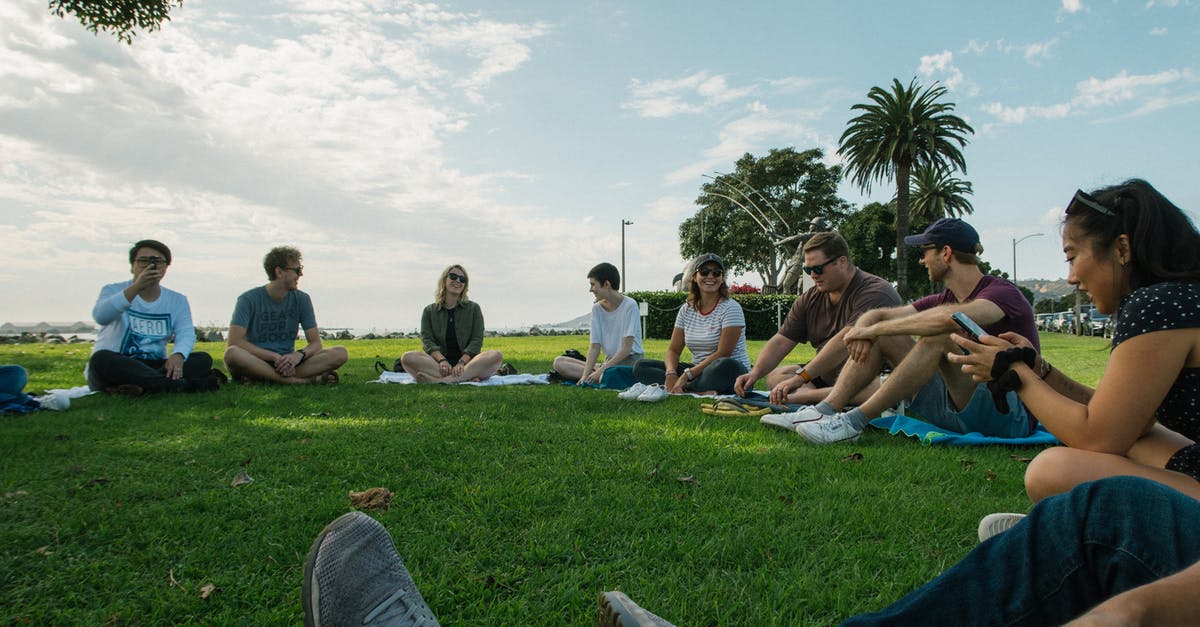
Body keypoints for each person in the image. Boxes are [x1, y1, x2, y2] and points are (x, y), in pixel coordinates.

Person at [950, 179, 1200, 502]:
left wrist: (1012, 372)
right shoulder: (1180, 298)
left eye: (1071, 257)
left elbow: (1098, 438)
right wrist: (1038, 369)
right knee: (1140, 440)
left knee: (1051, 471)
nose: (1070, 278)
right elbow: (1121, 421)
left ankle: (1086, 537)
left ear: (1122, 249)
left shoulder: (1158, 306)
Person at [762, 218, 1038, 444]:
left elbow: (951, 319)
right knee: (884, 333)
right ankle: (823, 412)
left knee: (939, 336)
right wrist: (869, 327)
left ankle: (852, 423)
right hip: (955, 405)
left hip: (1009, 414)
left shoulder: (1001, 293)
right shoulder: (942, 298)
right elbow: (879, 315)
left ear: (946, 253)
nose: (922, 260)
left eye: (925, 252)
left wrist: (872, 329)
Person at [733, 232, 901, 404]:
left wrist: (800, 379)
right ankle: (822, 400)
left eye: (818, 269)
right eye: (808, 270)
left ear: (842, 262)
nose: (812, 275)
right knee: (778, 376)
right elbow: (781, 341)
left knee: (885, 386)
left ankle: (807, 399)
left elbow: (844, 341)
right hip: (826, 378)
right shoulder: (810, 298)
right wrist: (755, 373)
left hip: (870, 377)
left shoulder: (875, 292)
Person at [86, 239, 218, 395]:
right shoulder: (113, 290)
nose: (150, 266)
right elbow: (101, 317)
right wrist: (136, 287)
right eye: (143, 261)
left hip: (154, 365)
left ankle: (144, 387)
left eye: (158, 262)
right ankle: (186, 385)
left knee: (202, 359)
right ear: (132, 266)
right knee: (100, 359)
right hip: (118, 363)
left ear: (166, 268)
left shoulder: (177, 300)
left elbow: (186, 333)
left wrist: (178, 355)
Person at [223, 246, 347, 384]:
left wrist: (298, 355)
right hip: (256, 361)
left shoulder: (302, 299)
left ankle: (262, 379)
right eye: (297, 270)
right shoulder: (248, 300)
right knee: (232, 354)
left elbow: (316, 343)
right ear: (279, 272)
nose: (301, 274)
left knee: (340, 353)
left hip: (290, 364)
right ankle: (299, 381)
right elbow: (234, 342)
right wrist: (274, 357)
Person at [632, 253, 750, 396]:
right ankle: (697, 388)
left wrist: (685, 376)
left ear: (722, 278)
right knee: (641, 366)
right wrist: (670, 373)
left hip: (728, 371)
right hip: (698, 372)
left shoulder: (731, 308)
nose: (710, 276)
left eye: (716, 273)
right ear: (694, 277)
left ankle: (687, 388)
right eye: (704, 272)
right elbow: (673, 351)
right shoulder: (686, 309)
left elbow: (723, 353)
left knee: (725, 365)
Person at [400, 264, 503, 383]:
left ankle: (442, 381)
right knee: (407, 357)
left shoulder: (473, 308)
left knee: (495, 356)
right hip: (439, 365)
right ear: (444, 280)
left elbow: (476, 340)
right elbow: (427, 341)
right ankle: (466, 377)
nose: (458, 281)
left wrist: (461, 363)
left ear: (465, 285)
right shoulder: (429, 311)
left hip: (468, 363)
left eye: (462, 279)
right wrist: (442, 361)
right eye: (453, 276)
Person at [552, 262, 643, 385]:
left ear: (606, 284)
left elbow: (626, 349)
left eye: (593, 285)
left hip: (629, 362)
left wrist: (599, 372)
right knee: (559, 362)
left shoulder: (630, 306)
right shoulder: (597, 309)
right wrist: (585, 376)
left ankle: (601, 376)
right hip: (608, 363)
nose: (591, 290)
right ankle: (596, 376)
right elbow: (595, 346)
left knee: (607, 375)